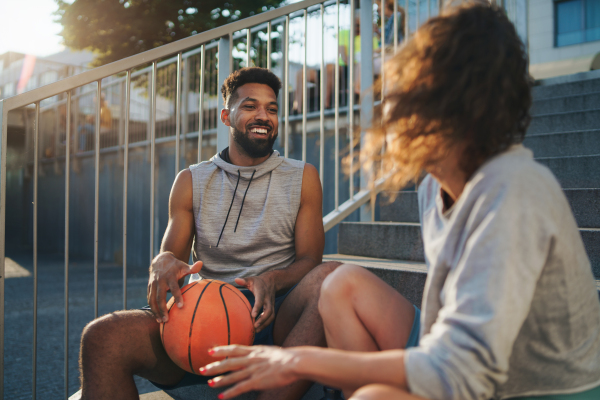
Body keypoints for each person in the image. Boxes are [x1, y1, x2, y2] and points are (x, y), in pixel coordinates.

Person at [199, 3, 600, 400]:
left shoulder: (514, 192)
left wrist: (297, 361)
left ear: (452, 105)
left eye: (406, 84)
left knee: (374, 396)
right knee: (341, 285)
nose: (388, 99)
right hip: (456, 355)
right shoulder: (433, 185)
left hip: (534, 388)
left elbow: (462, 369)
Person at [77, 67, 339, 400]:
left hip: (275, 313)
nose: (264, 116)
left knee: (328, 278)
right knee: (102, 337)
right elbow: (173, 257)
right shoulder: (191, 180)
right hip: (207, 319)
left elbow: (309, 260)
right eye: (250, 106)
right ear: (226, 117)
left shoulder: (303, 176)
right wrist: (162, 261)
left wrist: (271, 280)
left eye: (272, 109)